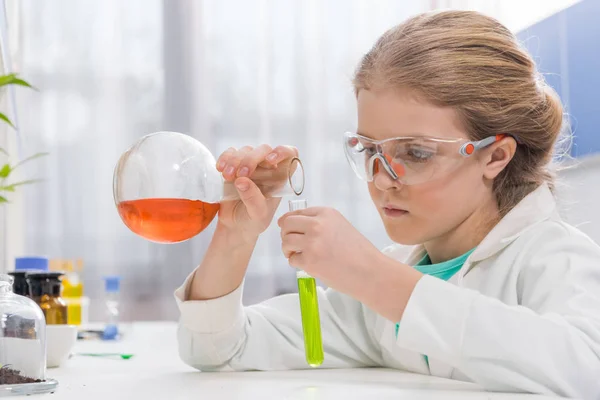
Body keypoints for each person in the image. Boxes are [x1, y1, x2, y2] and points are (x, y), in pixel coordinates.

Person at [174, 10, 600, 399]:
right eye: (368, 149)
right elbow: (218, 348)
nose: (380, 180)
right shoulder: (384, 291)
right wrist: (235, 236)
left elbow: (585, 370)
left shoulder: (555, 258)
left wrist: (371, 275)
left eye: (415, 153)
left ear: (494, 156)